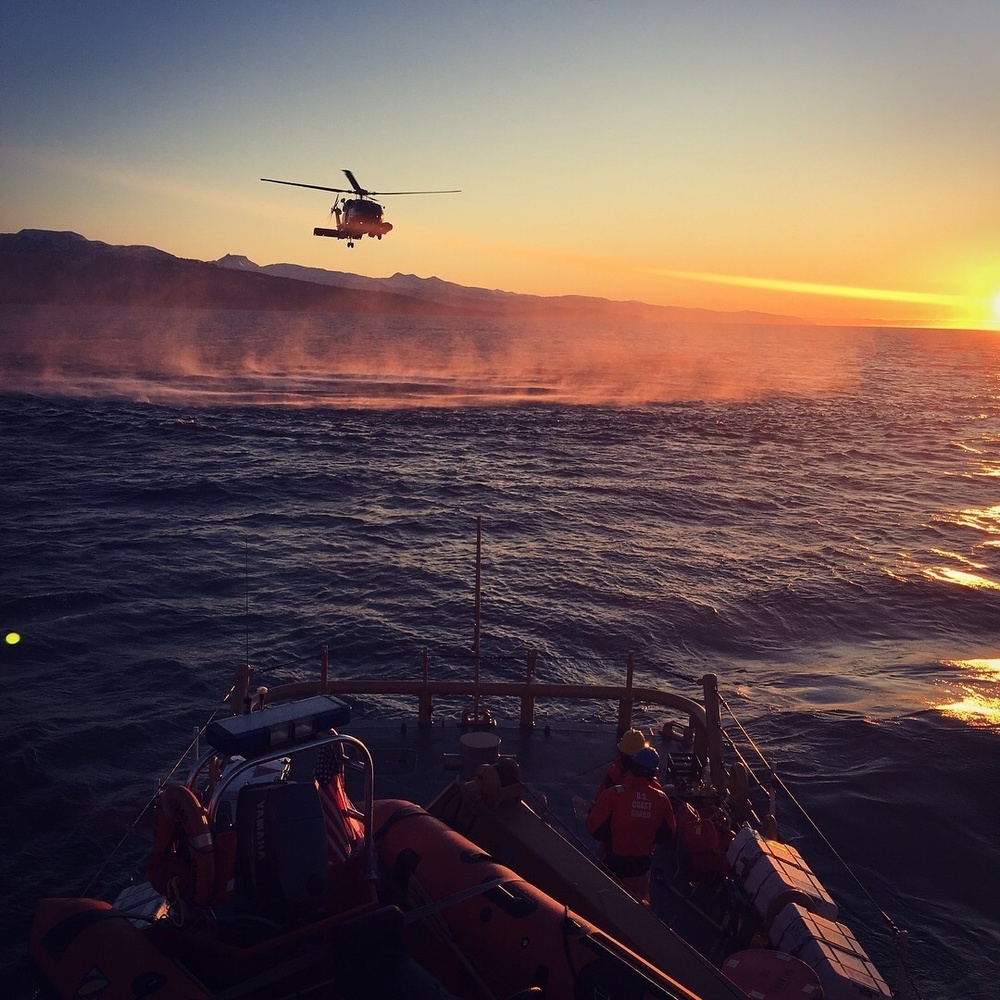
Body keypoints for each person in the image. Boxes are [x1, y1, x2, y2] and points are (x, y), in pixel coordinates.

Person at [586, 745, 675, 903]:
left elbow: (594, 828)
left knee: (607, 899)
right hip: (642, 864)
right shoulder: (662, 799)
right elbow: (667, 833)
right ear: (653, 772)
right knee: (639, 901)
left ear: (633, 767)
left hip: (614, 861)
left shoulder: (614, 794)